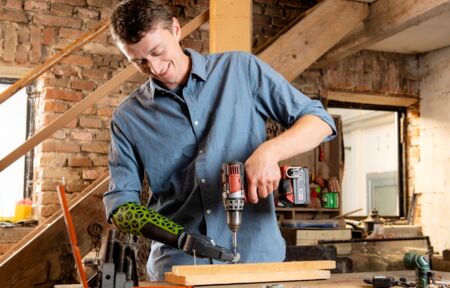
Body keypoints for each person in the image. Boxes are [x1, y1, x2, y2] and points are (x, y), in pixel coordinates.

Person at [103, 0, 336, 281]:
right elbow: (121, 208)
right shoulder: (128, 118)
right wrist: (183, 239)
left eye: (157, 51)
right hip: (180, 267)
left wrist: (269, 152)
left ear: (175, 29)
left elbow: (319, 121)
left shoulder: (241, 69)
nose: (155, 67)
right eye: (139, 61)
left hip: (258, 260)